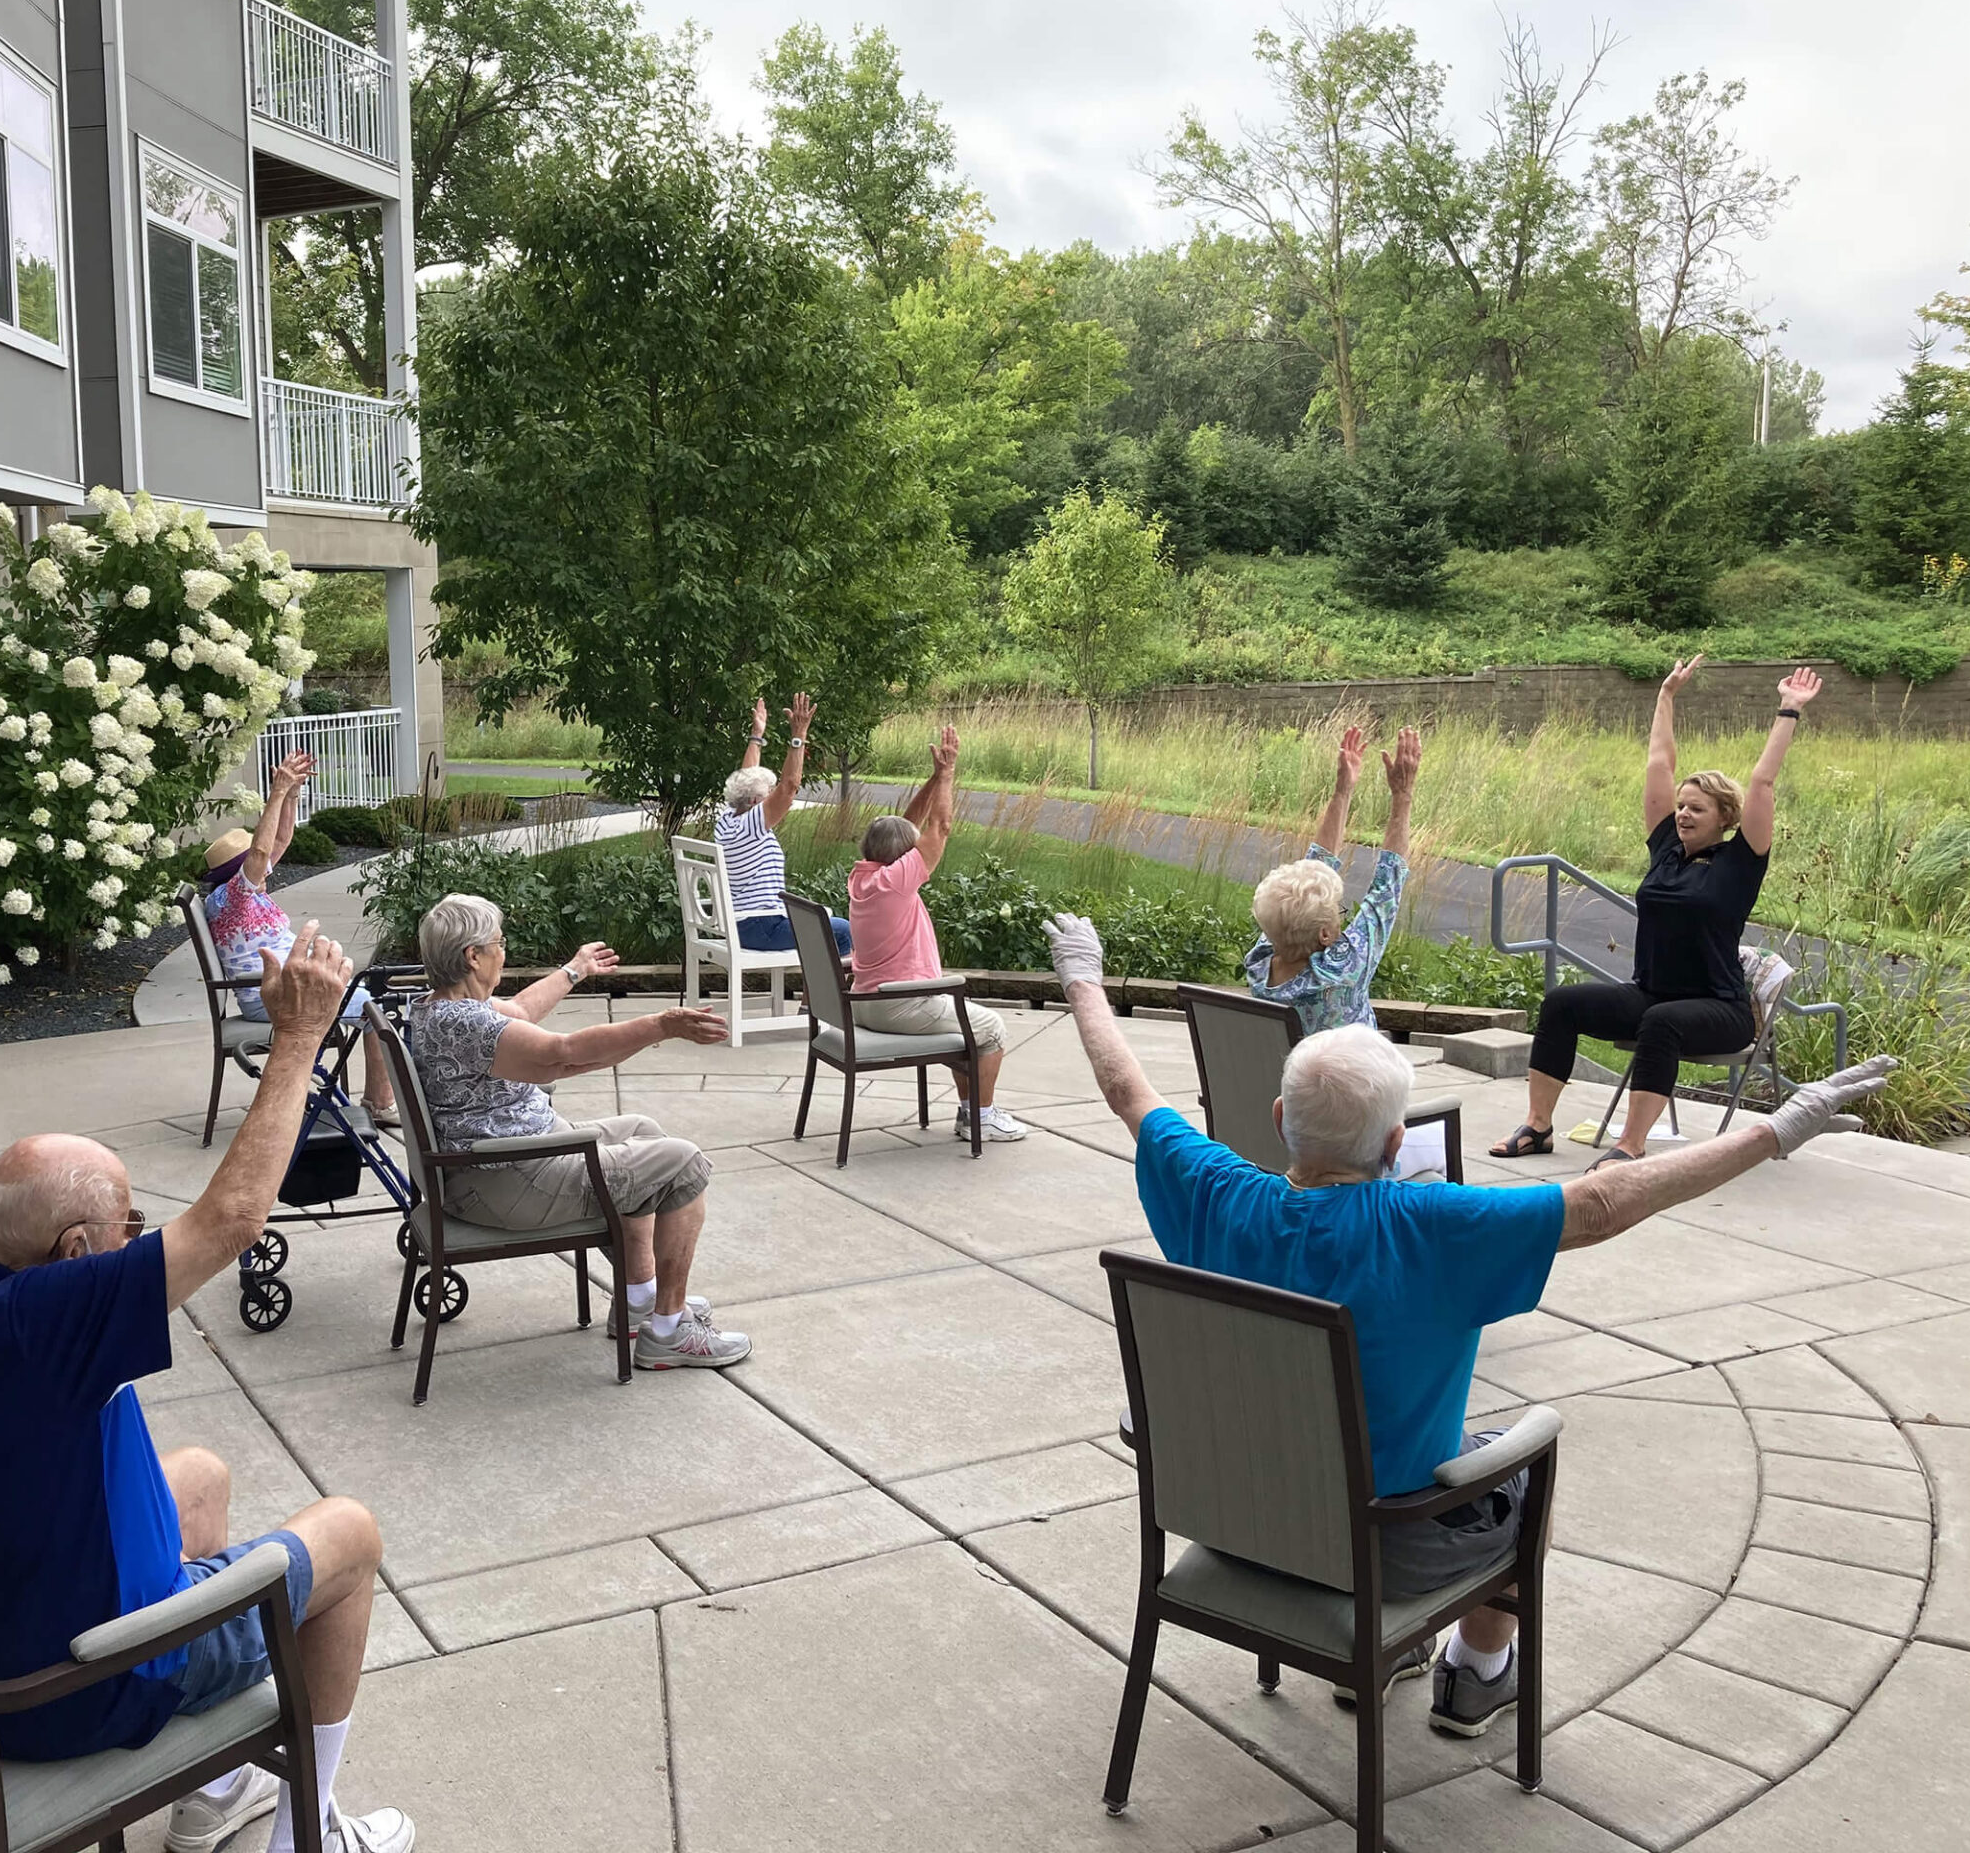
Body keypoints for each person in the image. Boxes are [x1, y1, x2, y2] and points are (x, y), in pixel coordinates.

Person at [1041, 906, 1892, 1737]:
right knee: (1526, 1473)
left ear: (1278, 1125)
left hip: (1231, 1515)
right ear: (1391, 1146)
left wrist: (1084, 978)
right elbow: (1599, 1202)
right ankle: (1477, 1674)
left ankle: (1403, 1654)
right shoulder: (1434, 1226)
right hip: (1384, 1543)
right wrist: (1775, 1132)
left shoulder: (1217, 1191)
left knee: (1460, 1456)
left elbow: (1130, 1092)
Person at [0, 924, 412, 1853]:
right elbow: (236, 1218)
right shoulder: (46, 1323)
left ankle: (213, 1799)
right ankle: (307, 1838)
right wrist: (297, 1040)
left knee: (200, 1475)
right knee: (350, 1537)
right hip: (78, 1686)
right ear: (75, 1255)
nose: (142, 1234)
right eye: (129, 1221)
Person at [1492, 660, 1823, 1168]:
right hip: (1650, 994)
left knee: (1663, 1023)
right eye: (1682, 806)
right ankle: (1537, 1128)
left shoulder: (1740, 862)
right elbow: (1659, 765)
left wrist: (1789, 709)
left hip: (1720, 1009)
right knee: (1562, 1002)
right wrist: (1666, 694)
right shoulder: (1666, 849)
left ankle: (1631, 1145)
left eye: (1697, 809)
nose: (1684, 814)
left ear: (1725, 820)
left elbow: (1762, 782)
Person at [407, 893, 750, 1368]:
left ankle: (637, 1300)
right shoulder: (467, 1022)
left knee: (646, 1132)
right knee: (682, 1161)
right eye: (499, 943)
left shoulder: (431, 1009)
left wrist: (576, 969)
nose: (504, 951)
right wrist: (661, 1024)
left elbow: (522, 1015)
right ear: (473, 956)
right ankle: (670, 1331)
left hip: (486, 1169)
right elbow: (564, 1052)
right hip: (511, 1181)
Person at [1248, 724, 1441, 1176]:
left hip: (1289, 1135)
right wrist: (1403, 795)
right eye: (1337, 911)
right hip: (1353, 1147)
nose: (1342, 912)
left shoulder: (1262, 961)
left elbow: (1311, 872)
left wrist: (1343, 792)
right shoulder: (1344, 968)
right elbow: (1387, 885)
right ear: (1326, 937)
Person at [846, 725, 1027, 1143]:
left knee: (963, 1029)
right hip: (902, 1005)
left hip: (866, 1002)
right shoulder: (897, 883)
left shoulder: (865, 878)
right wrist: (948, 777)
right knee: (993, 1029)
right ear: (902, 859)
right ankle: (982, 1117)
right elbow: (939, 827)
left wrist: (933, 777)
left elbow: (906, 826)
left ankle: (968, 1111)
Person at [201, 749, 396, 1124]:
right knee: (376, 1010)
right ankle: (378, 1103)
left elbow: (279, 841)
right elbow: (261, 850)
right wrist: (276, 791)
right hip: (273, 995)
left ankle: (354, 1097)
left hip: (284, 985)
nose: (267, 862)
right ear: (239, 868)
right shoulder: (233, 898)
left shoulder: (241, 894)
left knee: (371, 996)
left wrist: (292, 794)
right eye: (257, 862)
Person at [717, 690, 851, 955]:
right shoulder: (752, 826)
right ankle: (824, 997)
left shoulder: (727, 818)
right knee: (843, 931)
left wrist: (757, 736)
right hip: (761, 926)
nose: (772, 799)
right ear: (756, 801)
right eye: (768, 795)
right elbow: (789, 786)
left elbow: (747, 777)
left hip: (743, 923)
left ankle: (814, 997)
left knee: (821, 922)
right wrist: (799, 736)